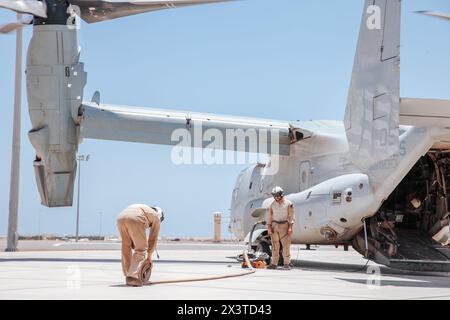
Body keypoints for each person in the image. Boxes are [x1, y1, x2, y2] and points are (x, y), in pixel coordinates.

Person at [116, 204, 164, 286]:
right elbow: (153, 238)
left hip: (120, 218)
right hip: (135, 218)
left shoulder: (145, 209)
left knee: (126, 246)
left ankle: (128, 274)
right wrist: (149, 257)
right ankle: (133, 276)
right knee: (141, 249)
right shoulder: (156, 217)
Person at [267, 186, 295, 270]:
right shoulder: (272, 205)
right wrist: (269, 227)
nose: (276, 198)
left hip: (284, 225)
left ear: (282, 195)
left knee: (286, 245)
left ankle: (286, 263)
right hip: (275, 225)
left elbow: (291, 216)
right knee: (275, 245)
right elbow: (269, 216)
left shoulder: (288, 204)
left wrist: (290, 227)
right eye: (274, 196)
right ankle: (274, 263)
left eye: (277, 196)